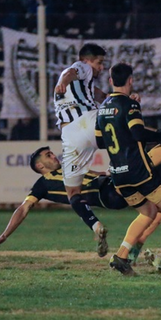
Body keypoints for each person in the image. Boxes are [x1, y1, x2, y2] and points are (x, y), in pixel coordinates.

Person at [95, 62, 161, 276]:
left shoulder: (102, 109)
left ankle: (120, 256)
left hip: (118, 174)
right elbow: (138, 133)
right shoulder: (130, 105)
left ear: (110, 81)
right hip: (139, 171)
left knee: (148, 212)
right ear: (131, 80)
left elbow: (100, 143)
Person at [0, 145, 161, 253]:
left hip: (110, 188)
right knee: (137, 164)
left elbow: (98, 173)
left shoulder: (71, 168)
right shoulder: (42, 184)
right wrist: (4, 235)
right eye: (48, 155)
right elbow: (23, 209)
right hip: (105, 192)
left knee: (159, 209)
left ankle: (132, 251)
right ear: (40, 165)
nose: (53, 155)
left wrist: (110, 172)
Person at [54, 43, 110, 255]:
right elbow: (72, 71)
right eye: (100, 62)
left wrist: (108, 98)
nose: (101, 68)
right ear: (88, 60)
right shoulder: (81, 67)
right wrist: (62, 81)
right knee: (129, 135)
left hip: (71, 136)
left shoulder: (80, 84)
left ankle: (96, 226)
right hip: (87, 123)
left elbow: (93, 91)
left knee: (73, 193)